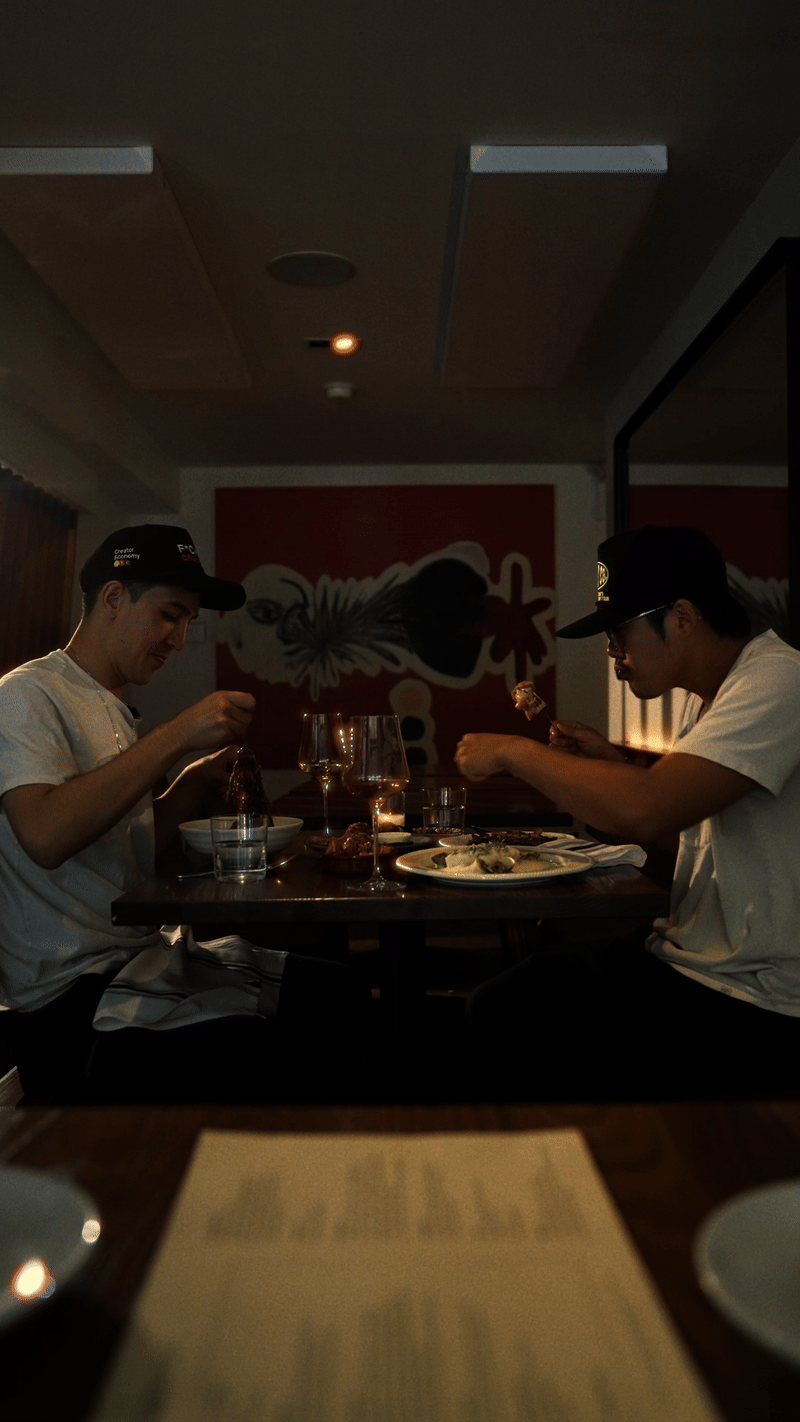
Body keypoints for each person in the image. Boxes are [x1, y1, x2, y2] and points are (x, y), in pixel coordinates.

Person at [0, 524, 370, 1104]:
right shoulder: (26, 694)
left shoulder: (110, 704)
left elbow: (123, 851)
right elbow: (45, 834)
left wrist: (190, 782)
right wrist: (177, 736)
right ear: (114, 598)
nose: (180, 639)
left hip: (145, 956)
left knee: (340, 994)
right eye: (171, 615)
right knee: (285, 1063)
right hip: (69, 998)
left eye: (190, 621)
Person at [455, 524, 800, 1099]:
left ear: (682, 618)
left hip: (760, 994)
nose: (613, 651)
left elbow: (648, 810)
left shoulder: (779, 682)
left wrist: (514, 752)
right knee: (501, 1005)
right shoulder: (710, 699)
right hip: (692, 959)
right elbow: (686, 849)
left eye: (620, 631)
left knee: (531, 1061)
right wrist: (612, 769)